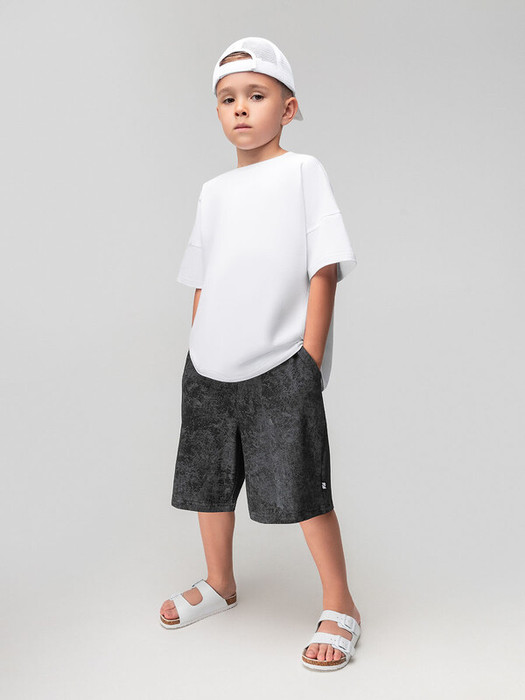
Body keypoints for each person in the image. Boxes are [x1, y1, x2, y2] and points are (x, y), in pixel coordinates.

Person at [159, 37, 362, 671]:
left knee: (302, 484)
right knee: (208, 482)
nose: (241, 108)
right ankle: (219, 582)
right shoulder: (213, 191)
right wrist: (195, 345)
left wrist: (309, 357)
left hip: (280, 361)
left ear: (288, 108)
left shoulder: (303, 172)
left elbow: (323, 265)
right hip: (208, 364)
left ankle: (341, 602)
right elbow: (203, 276)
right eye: (228, 99)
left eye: (256, 95)